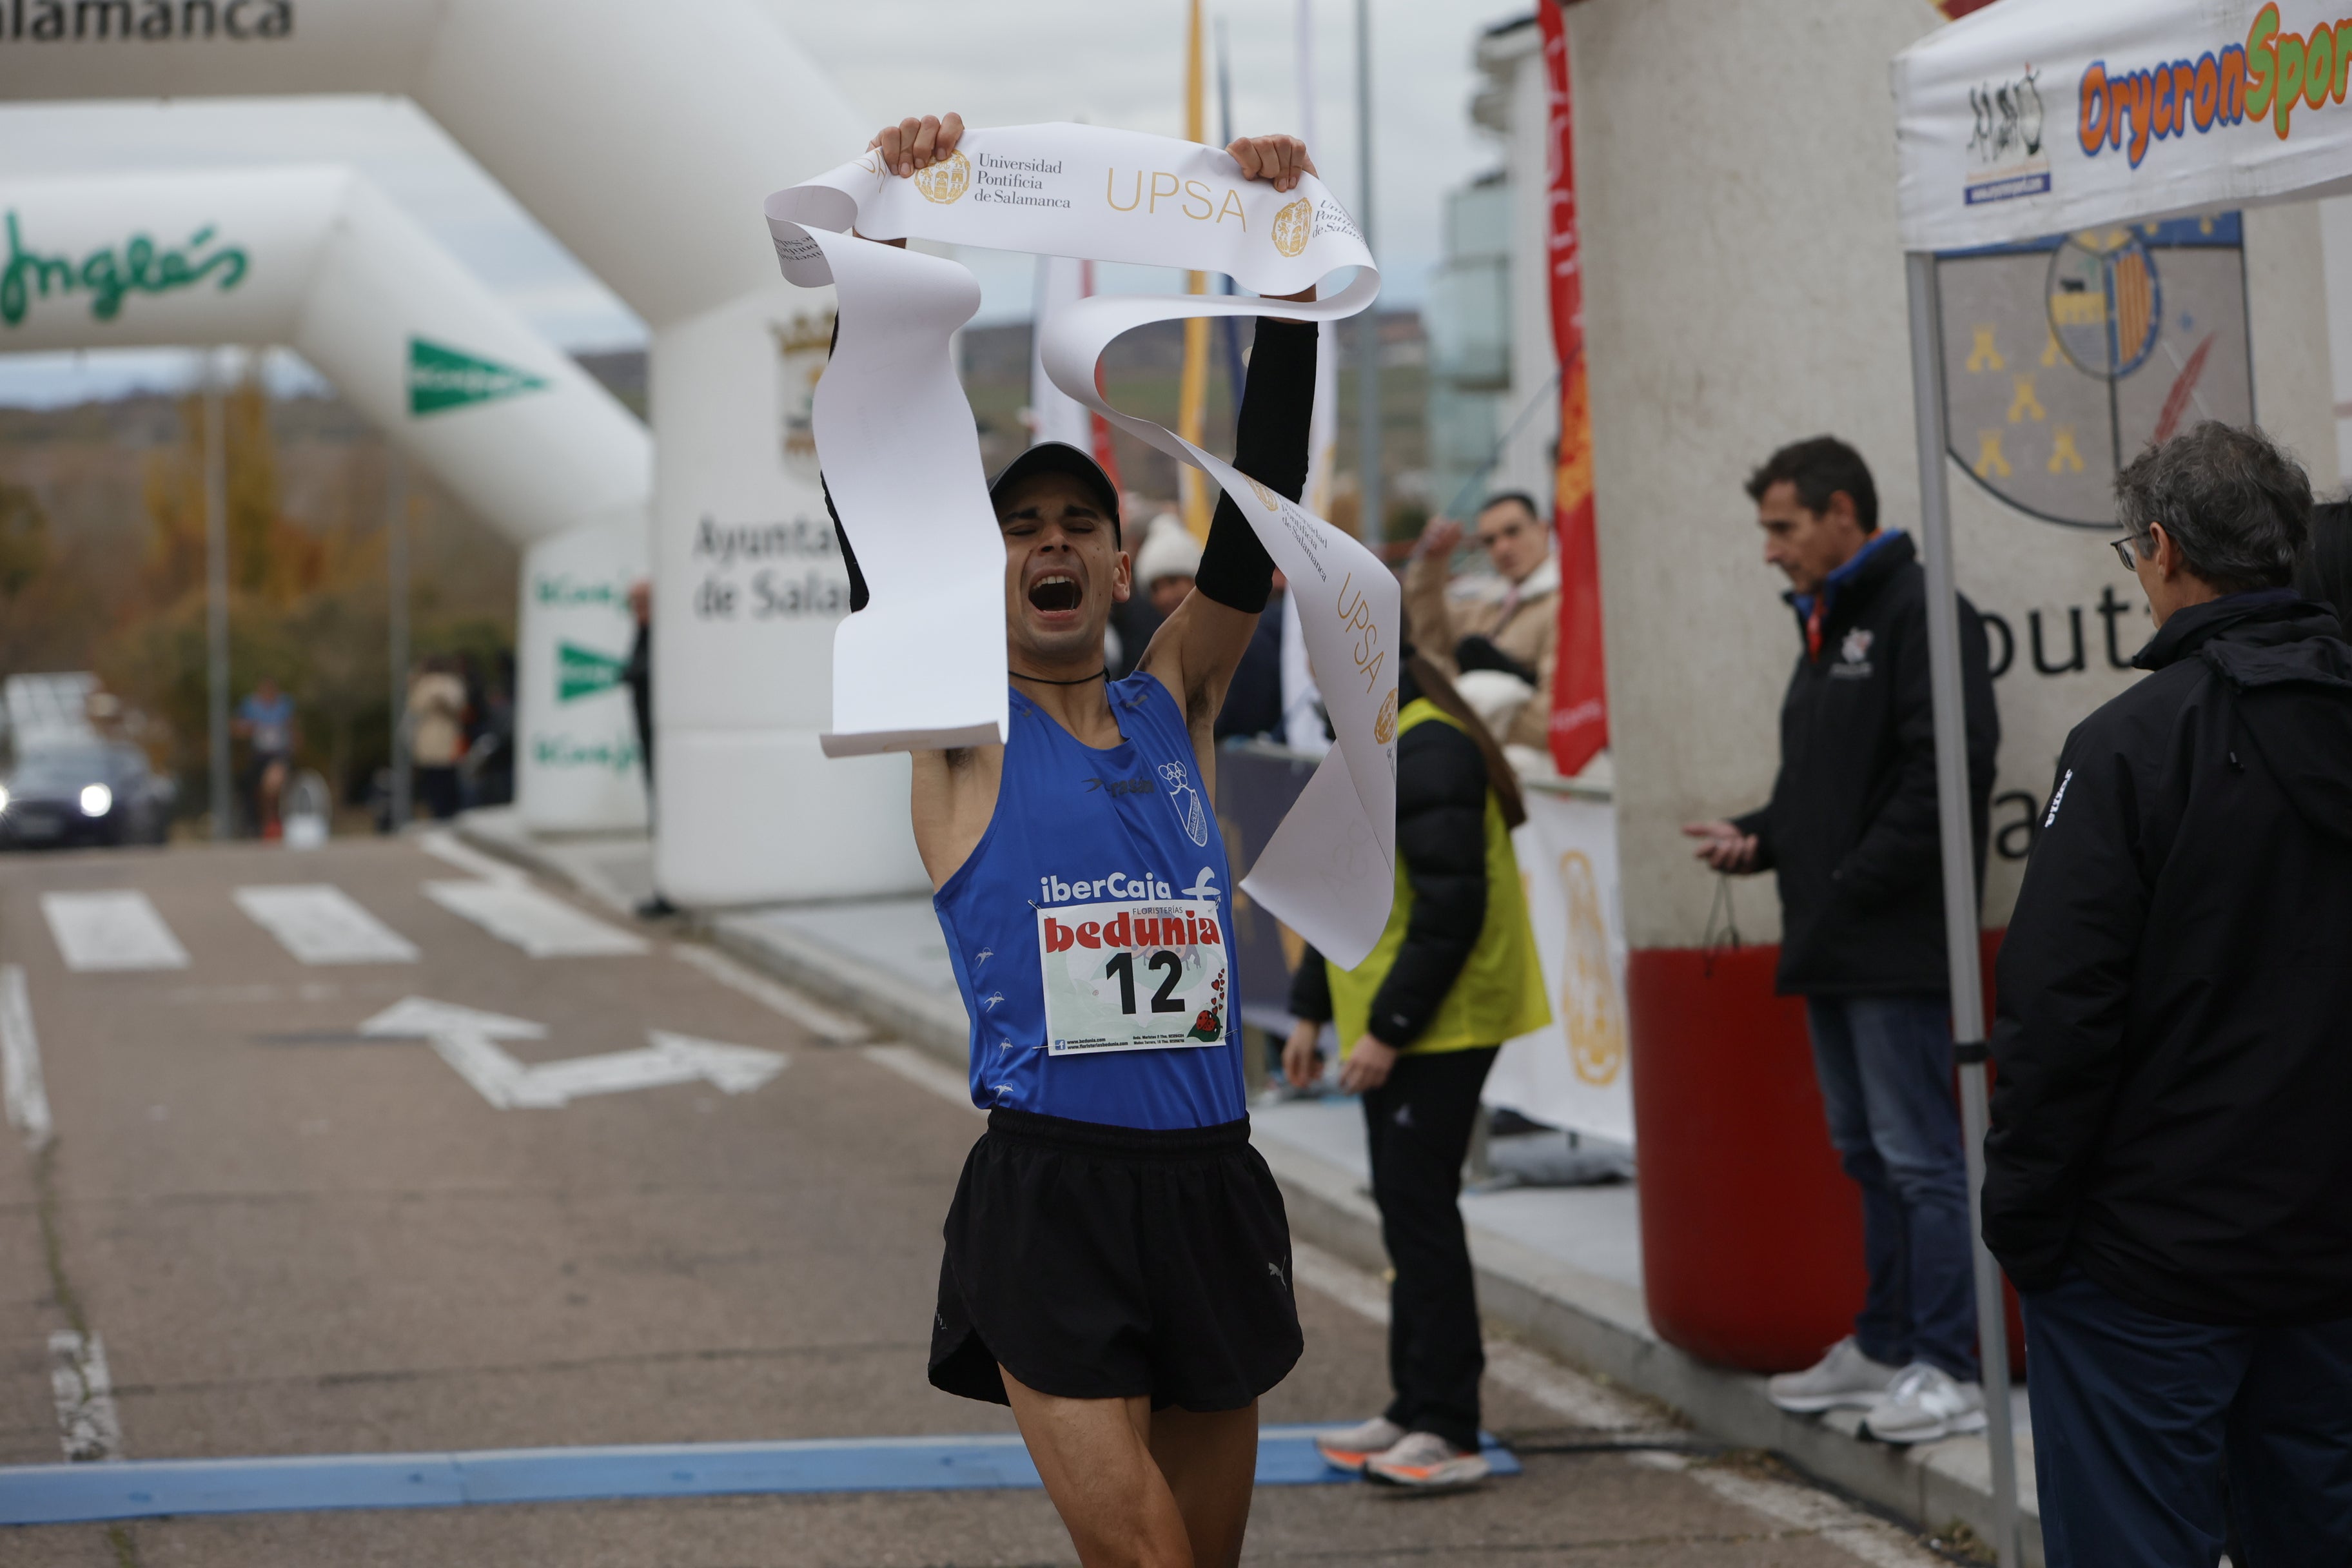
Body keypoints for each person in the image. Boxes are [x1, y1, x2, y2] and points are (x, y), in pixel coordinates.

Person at [852, 112, 1320, 1568]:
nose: (1049, 543)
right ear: (980, 564)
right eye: (1017, 527)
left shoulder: (1175, 692)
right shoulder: (956, 723)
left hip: (1211, 1181)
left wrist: (1285, 282)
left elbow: (1265, 515)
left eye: (1077, 523)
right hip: (1051, 1195)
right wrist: (884, 243)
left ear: (1121, 565)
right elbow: (871, 494)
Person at [1984, 422, 2352, 1565]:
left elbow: (2056, 1010)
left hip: (2148, 1265)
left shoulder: (2129, 747)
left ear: (2158, 548)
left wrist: (2027, 1222)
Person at [1683, 435, 1998, 1444]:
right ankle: (1887, 1341)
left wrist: (1851, 884)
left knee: (1922, 1159)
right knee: (1868, 1154)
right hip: (1835, 940)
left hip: (1892, 945)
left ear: (1842, 515)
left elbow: (1945, 774)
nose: (1771, 551)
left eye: (1783, 528)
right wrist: (1761, 840)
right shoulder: (1827, 624)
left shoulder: (1916, 612)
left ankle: (1950, 1364)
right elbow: (1821, 796)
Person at [1283, 649, 1550, 1490]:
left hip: (1440, 1021)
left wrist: (1388, 1029)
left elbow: (1452, 906)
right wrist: (1312, 1009)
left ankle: (1449, 1425)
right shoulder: (1378, 743)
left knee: (1420, 1213)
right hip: (1400, 1018)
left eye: (1329, 670)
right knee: (1406, 1210)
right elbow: (1338, 889)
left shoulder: (1428, 746)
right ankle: (1414, 1405)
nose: (1318, 687)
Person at [1404, 493, 1558, 753]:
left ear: (1543, 530)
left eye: (1513, 532)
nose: (1502, 547)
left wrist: (1476, 705)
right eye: (1490, 540)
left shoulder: (1564, 606)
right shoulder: (1489, 603)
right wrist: (1431, 563)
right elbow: (1429, 641)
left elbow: (1557, 717)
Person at [622, 579, 677, 917]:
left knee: (671, 815)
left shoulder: (665, 635)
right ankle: (665, 886)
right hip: (650, 744)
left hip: (667, 747)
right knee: (659, 816)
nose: (637, 610)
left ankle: (670, 890)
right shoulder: (643, 634)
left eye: (642, 603)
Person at [231, 674, 296, 839]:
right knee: (253, 789)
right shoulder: (251, 705)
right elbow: (236, 728)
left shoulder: (284, 705)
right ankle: (256, 824)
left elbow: (293, 727)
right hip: (258, 756)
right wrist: (249, 728)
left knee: (272, 787)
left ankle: (274, 822)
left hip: (278, 755)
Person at [406, 656, 467, 821]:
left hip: (447, 736)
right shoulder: (424, 684)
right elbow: (416, 707)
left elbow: (459, 705)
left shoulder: (450, 683)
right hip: (429, 736)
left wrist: (444, 703)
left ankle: (448, 811)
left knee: (448, 776)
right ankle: (437, 811)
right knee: (433, 778)